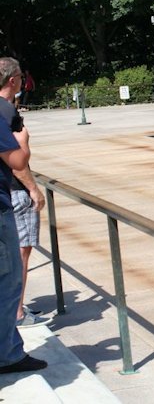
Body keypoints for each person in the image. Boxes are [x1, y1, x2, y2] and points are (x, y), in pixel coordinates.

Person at [0, 59, 46, 374]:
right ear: (15, 80)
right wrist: (24, 143)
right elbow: (17, 158)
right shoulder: (4, 112)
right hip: (5, 201)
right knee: (10, 276)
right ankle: (9, 353)